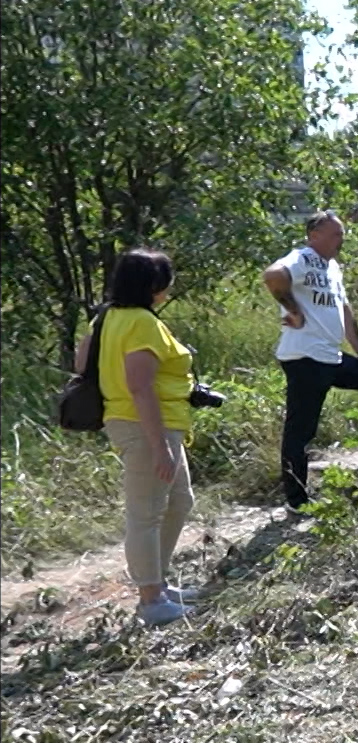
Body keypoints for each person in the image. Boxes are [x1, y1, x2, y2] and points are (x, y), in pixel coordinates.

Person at [75, 248, 199, 626]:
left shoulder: (106, 318)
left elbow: (81, 363)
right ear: (153, 285)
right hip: (146, 426)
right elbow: (140, 386)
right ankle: (150, 601)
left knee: (179, 500)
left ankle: (157, 583)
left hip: (149, 423)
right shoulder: (142, 323)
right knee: (146, 514)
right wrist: (159, 445)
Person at [263, 210, 358, 511]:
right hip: (305, 357)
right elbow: (272, 276)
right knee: (301, 431)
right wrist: (292, 309)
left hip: (330, 356)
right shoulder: (302, 257)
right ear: (314, 235)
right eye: (335, 233)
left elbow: (346, 316)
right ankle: (297, 501)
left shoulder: (333, 267)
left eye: (342, 233)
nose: (341, 239)